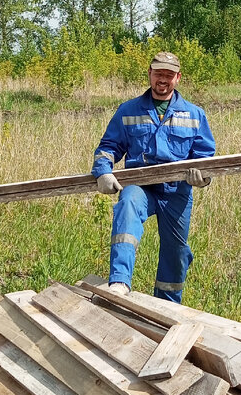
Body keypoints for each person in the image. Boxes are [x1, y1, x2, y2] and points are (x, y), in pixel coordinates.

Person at [91, 51, 215, 301]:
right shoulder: (128, 110)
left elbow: (206, 157)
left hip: (176, 191)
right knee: (128, 204)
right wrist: (103, 172)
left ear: (178, 78)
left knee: (176, 252)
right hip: (141, 186)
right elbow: (108, 148)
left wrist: (202, 176)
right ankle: (119, 282)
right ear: (149, 74)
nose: (163, 79)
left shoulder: (194, 114)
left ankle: (166, 307)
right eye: (158, 73)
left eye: (169, 75)